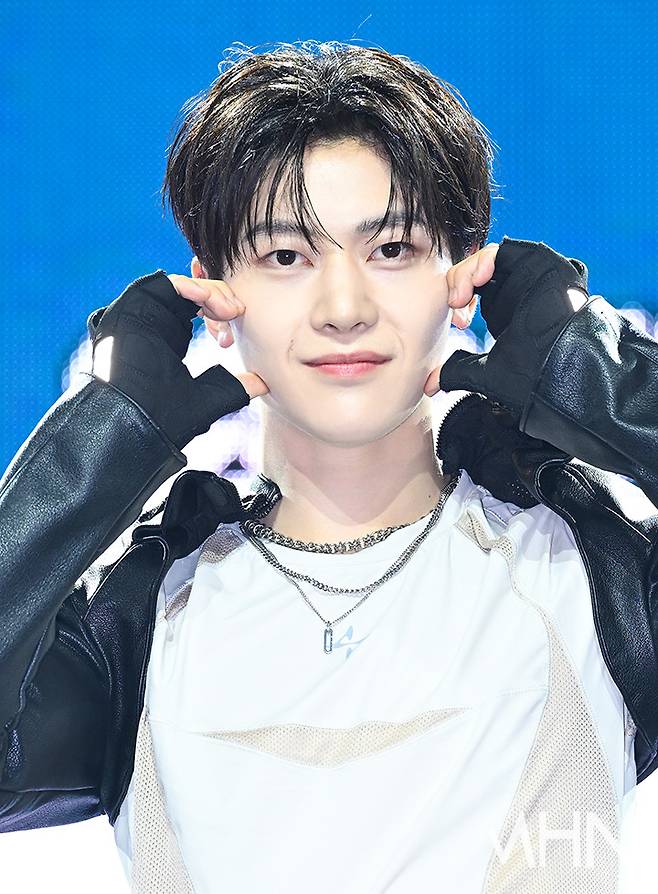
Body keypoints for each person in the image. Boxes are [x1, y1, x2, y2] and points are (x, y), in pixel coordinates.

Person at [0, 39, 656, 893]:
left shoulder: (587, 573)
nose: (344, 307)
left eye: (392, 250)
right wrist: (102, 440)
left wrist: (599, 379)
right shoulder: (145, 624)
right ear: (213, 296)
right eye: (286, 257)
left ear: (465, 276)